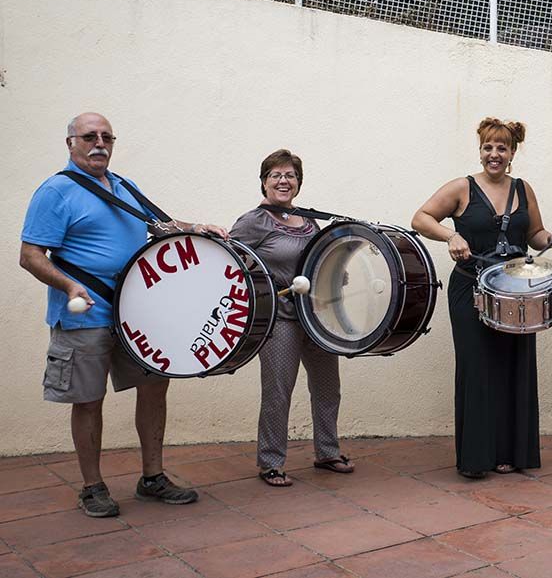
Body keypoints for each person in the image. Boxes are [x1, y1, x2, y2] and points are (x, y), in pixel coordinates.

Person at [19, 112, 228, 518]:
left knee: (155, 385)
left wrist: (198, 228)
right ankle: (92, 487)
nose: (99, 143)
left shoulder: (124, 186)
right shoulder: (55, 191)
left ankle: (152, 477)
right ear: (70, 143)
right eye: (89, 136)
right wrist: (68, 286)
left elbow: (160, 226)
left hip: (135, 313)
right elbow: (30, 255)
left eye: (106, 137)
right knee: (88, 400)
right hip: (85, 315)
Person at [412, 117, 552, 479]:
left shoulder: (523, 189)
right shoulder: (462, 188)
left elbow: (535, 234)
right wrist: (450, 236)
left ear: (512, 153)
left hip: (517, 293)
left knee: (514, 367)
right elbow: (420, 218)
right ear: (480, 150)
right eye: (488, 147)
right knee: (477, 368)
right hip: (470, 288)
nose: (494, 154)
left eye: (502, 148)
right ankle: (476, 457)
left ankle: (509, 453)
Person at [229, 149, 353, 487]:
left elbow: (316, 262)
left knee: (328, 388)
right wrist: (260, 292)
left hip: (316, 318)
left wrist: (333, 274)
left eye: (290, 175)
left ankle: (327, 452)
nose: (284, 181)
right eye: (276, 175)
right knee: (278, 391)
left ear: (298, 182)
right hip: (280, 318)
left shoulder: (309, 222)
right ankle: (271, 462)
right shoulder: (254, 221)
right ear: (264, 182)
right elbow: (230, 262)